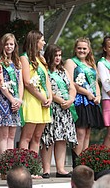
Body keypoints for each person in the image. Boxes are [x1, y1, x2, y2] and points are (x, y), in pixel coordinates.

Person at [65, 38, 103, 168]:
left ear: (88, 50)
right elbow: (70, 82)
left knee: (87, 133)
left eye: (84, 48)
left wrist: (98, 95)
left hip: (92, 102)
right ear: (75, 49)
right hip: (79, 100)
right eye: (79, 48)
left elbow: (96, 84)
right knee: (80, 132)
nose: (82, 50)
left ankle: (84, 162)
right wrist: (86, 92)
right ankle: (77, 163)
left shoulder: (91, 64)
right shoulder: (71, 62)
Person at [41, 44, 77, 178]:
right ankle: (46, 169)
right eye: (55, 55)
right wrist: (60, 101)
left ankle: (61, 169)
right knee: (49, 138)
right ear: (49, 56)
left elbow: (72, 87)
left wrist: (70, 100)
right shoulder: (46, 70)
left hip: (66, 109)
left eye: (60, 55)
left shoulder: (63, 70)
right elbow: (47, 89)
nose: (58, 58)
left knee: (62, 139)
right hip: (53, 107)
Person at [19, 30, 52, 153]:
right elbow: (27, 82)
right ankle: (24, 167)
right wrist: (42, 98)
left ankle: (34, 166)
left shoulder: (41, 58)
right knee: (27, 136)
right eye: (42, 40)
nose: (44, 43)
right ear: (35, 41)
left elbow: (47, 79)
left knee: (37, 137)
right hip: (32, 99)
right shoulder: (24, 58)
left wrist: (50, 98)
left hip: (44, 100)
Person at [0, 33, 23, 154]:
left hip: (16, 101)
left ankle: (10, 161)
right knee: (4, 134)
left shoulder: (17, 62)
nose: (9, 46)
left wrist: (19, 100)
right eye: (6, 44)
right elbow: (1, 84)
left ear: (15, 46)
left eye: (11, 44)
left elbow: (21, 83)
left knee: (12, 134)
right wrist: (12, 100)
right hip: (5, 100)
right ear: (3, 46)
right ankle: (4, 163)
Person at [97, 36, 110, 148]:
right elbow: (106, 83)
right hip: (108, 98)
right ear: (105, 48)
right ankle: (105, 159)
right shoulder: (102, 63)